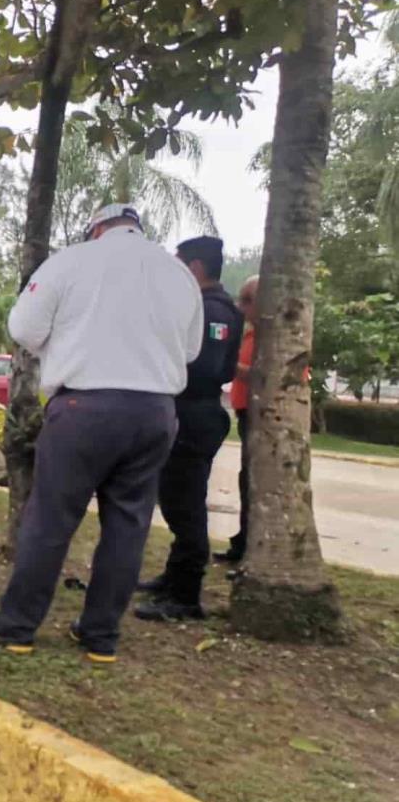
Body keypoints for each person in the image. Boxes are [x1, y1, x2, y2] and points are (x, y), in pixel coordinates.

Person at [0, 204, 202, 664]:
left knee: (51, 519)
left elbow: (23, 328)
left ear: (97, 228)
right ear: (136, 228)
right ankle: (100, 637)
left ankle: (17, 626)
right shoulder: (178, 273)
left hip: (84, 407)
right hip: (155, 411)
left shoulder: (72, 260)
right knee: (128, 525)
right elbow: (189, 350)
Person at [135, 237, 244, 621]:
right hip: (190, 412)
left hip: (194, 415)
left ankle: (185, 596)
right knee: (178, 501)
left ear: (195, 268)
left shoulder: (215, 311)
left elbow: (209, 368)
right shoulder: (207, 306)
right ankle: (173, 577)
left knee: (186, 506)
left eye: (179, 264)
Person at [214, 274, 258, 564]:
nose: (241, 307)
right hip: (244, 415)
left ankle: (248, 551)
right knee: (246, 483)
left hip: (259, 418)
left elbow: (266, 374)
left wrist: (230, 366)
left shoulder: (277, 340)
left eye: (248, 300)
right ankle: (240, 546)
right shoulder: (250, 334)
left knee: (254, 485)